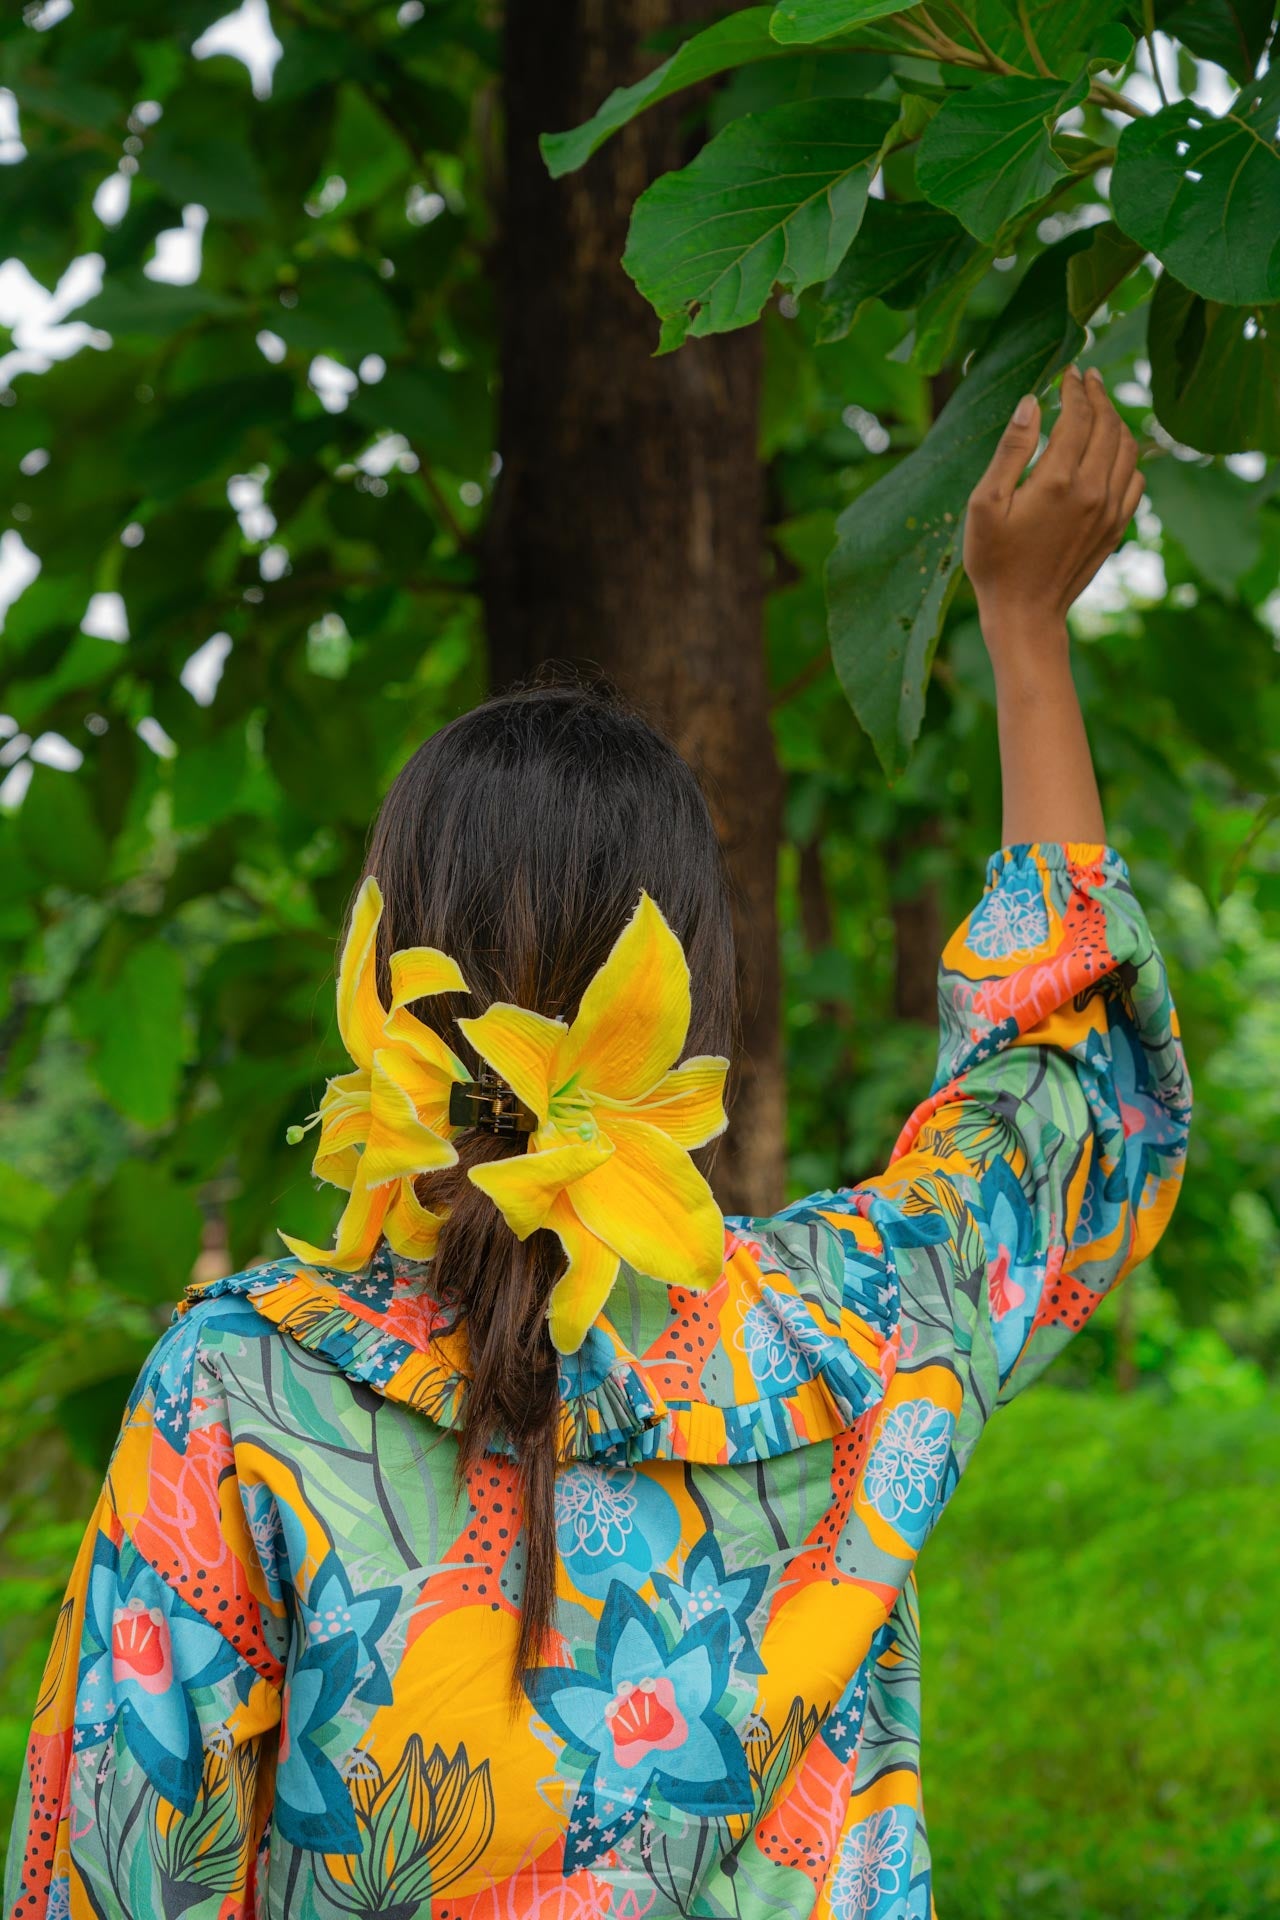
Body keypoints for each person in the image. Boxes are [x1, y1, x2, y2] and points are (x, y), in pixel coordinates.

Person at [4, 367, 1190, 1920]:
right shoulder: (858, 1337)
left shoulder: (246, 1396)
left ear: (388, 987)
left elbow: (115, 1877)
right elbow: (1064, 1101)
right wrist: (1027, 631)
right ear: (702, 1010)